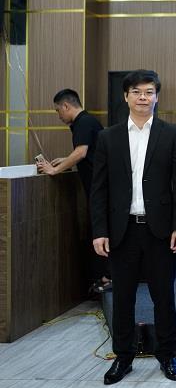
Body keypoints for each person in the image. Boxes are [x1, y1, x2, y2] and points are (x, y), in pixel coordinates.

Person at [90, 69, 176, 385]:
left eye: (148, 92)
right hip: (122, 231)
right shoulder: (108, 137)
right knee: (123, 298)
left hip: (160, 231)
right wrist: (99, 230)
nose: (143, 97)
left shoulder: (171, 133)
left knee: (163, 296)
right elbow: (98, 189)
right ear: (126, 96)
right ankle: (123, 357)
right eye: (137, 92)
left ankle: (167, 355)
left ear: (156, 97)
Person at [39, 88, 108, 293]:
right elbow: (86, 152)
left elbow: (81, 152)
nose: (58, 115)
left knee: (101, 232)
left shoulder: (83, 122)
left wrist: (54, 169)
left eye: (58, 110)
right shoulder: (86, 122)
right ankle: (105, 276)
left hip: (100, 188)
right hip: (99, 187)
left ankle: (107, 277)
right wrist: (65, 160)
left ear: (66, 106)